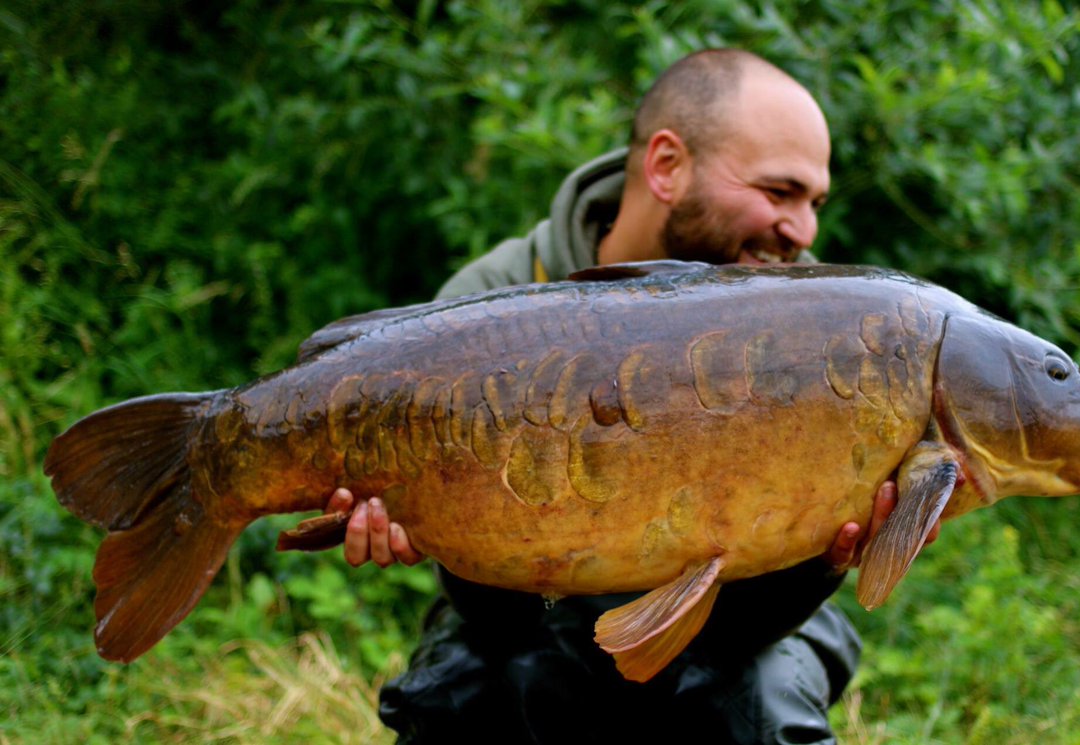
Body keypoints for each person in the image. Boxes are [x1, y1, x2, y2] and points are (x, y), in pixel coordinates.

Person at [326, 49, 938, 744]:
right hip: (528, 604)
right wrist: (427, 521)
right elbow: (496, 620)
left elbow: (740, 633)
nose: (804, 232)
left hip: (752, 611)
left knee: (759, 700)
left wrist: (831, 555)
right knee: (485, 686)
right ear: (667, 166)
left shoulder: (821, 334)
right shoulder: (487, 303)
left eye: (814, 203)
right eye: (778, 193)